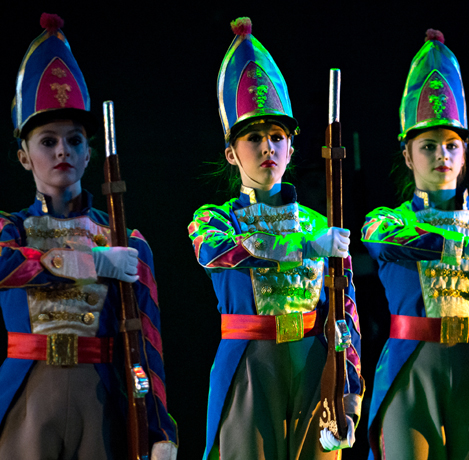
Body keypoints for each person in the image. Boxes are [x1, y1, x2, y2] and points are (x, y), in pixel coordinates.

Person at [0, 13, 178, 460]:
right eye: (47, 141)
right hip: (28, 394)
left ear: (89, 154)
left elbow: (146, 342)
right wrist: (94, 262)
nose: (62, 150)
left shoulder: (125, 239)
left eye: (75, 140)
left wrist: (159, 428)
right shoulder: (4, 229)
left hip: (100, 398)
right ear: (24, 157)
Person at [187, 17, 363, 460]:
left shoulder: (319, 225)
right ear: (231, 153)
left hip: (313, 365)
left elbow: (345, 313)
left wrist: (348, 395)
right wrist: (302, 248)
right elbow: (216, 253)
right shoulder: (215, 220)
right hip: (249, 364)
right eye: (254, 137)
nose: (267, 147)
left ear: (290, 148)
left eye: (277, 137)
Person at [361, 29, 469, 460]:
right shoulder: (388, 222)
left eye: (452, 146)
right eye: (429, 146)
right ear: (408, 155)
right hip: (410, 371)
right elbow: (391, 244)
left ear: (464, 154)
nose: (442, 155)